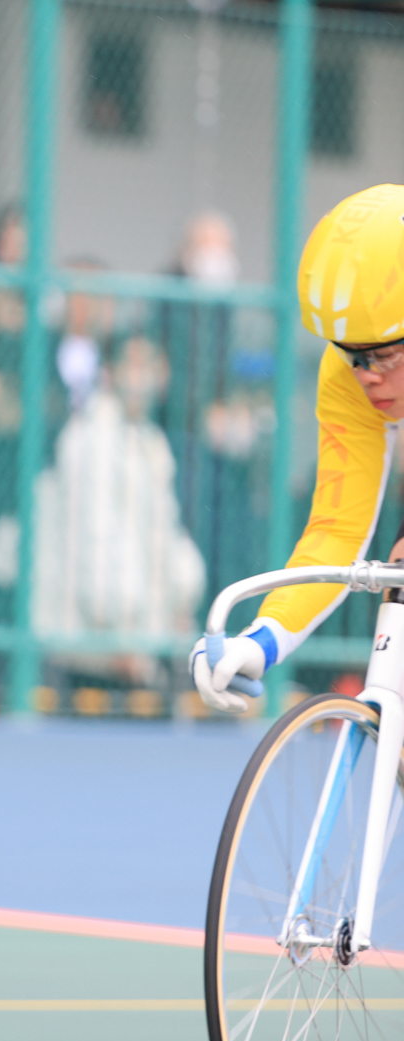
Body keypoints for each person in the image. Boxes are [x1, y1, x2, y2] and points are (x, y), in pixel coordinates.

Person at [195, 185, 404, 712]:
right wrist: (260, 642)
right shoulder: (346, 376)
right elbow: (338, 531)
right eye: (350, 355)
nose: (364, 377)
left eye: (380, 355)